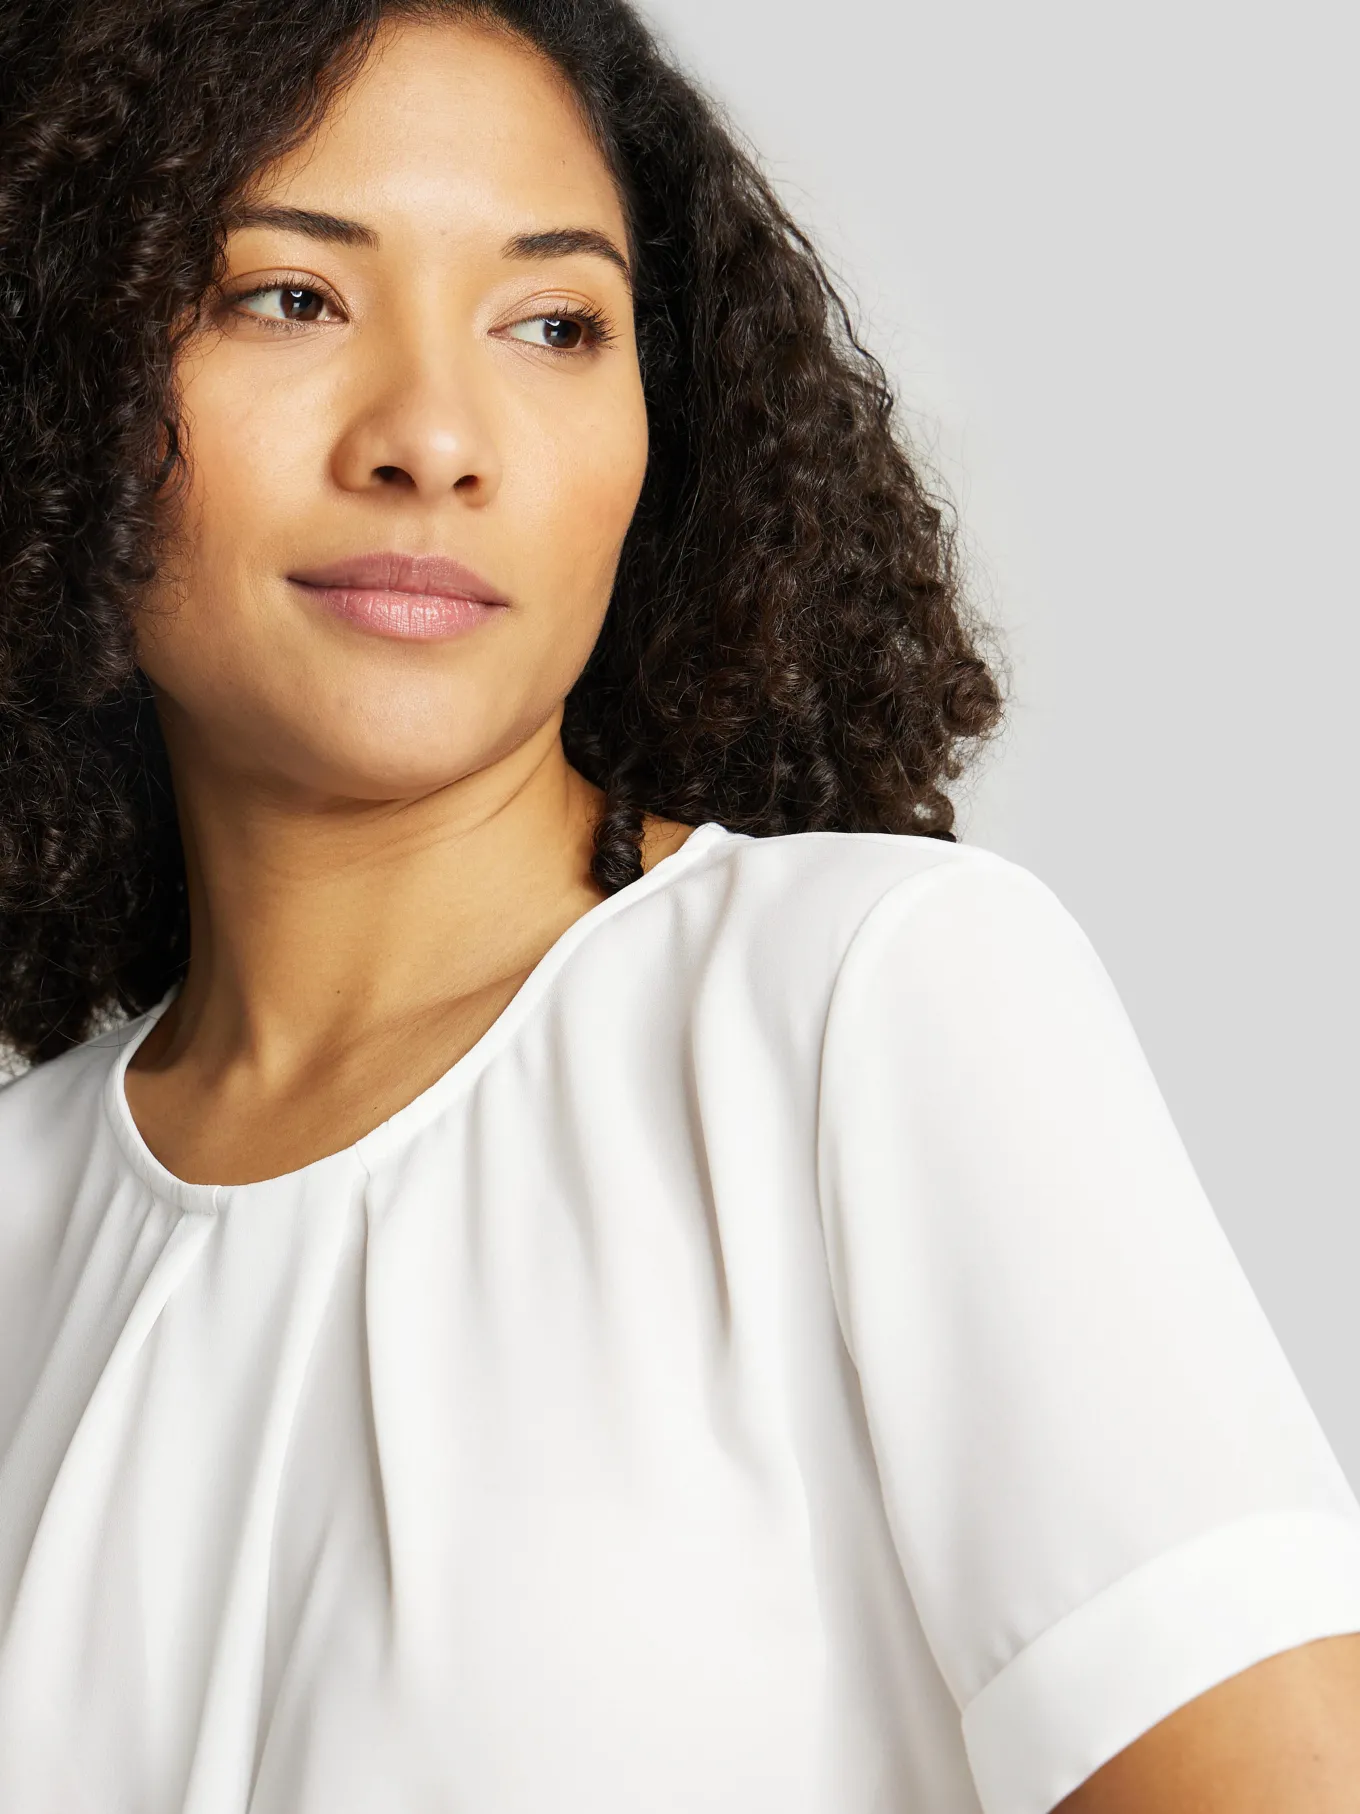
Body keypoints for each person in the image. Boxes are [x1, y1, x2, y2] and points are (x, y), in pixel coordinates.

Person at [0, 2, 1357, 1810]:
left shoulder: (858, 1003)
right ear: (59, 376)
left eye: (554, 323)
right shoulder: (21, 1210)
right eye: (290, 297)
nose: (435, 437)